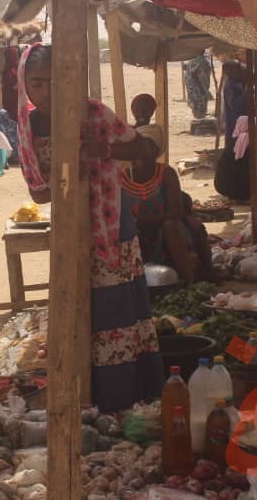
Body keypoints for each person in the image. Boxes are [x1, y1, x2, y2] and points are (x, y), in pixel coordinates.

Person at [17, 43, 164, 413]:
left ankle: (123, 399)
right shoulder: (28, 129)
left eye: (54, 81)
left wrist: (107, 151)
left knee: (114, 311)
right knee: (77, 311)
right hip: (70, 230)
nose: (45, 92)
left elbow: (148, 148)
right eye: (36, 84)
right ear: (24, 85)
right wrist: (66, 177)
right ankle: (84, 398)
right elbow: (38, 193)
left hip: (112, 227)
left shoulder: (94, 113)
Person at [122, 126, 213, 283]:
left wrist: (142, 220)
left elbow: (175, 213)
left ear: (155, 153)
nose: (141, 156)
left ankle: (188, 281)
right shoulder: (123, 177)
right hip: (135, 231)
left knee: (171, 226)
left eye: (145, 151)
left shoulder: (166, 174)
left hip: (164, 232)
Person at [213, 60, 257, 201]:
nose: (241, 71)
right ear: (230, 72)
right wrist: (251, 91)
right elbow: (237, 106)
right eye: (238, 70)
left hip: (243, 126)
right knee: (238, 159)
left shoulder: (238, 82)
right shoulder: (231, 86)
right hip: (237, 126)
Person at [183, 50, 212, 119]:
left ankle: (198, 116)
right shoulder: (203, 62)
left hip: (192, 89)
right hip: (199, 89)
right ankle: (200, 117)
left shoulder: (191, 61)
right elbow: (203, 78)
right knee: (200, 107)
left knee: (196, 106)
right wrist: (205, 90)